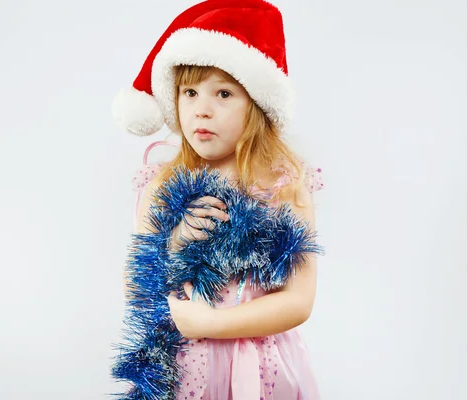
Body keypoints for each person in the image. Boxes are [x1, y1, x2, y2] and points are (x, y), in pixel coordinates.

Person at [113, 1, 325, 398]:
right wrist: (173, 242)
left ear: (257, 105)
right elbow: (135, 288)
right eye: (190, 92)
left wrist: (209, 323)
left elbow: (298, 301)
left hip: (264, 371)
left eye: (223, 93)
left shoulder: (284, 185)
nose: (202, 111)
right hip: (184, 369)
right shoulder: (162, 184)